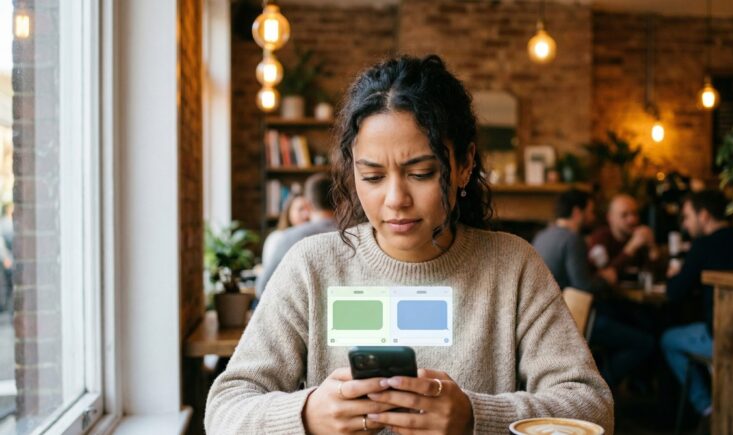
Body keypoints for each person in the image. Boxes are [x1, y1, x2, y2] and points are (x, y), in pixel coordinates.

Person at [207, 55, 613, 435]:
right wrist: (307, 415)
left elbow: (592, 407)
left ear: (464, 165)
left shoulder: (513, 267)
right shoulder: (311, 267)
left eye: (420, 173)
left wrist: (474, 416)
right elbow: (224, 410)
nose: (395, 199)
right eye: (372, 176)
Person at [533, 190, 653, 390]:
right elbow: (584, 288)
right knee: (644, 342)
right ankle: (599, 387)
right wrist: (607, 276)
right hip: (574, 319)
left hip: (546, 320)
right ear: (577, 212)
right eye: (590, 212)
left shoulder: (543, 236)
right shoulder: (572, 239)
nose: (593, 217)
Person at [661, 190, 733, 420]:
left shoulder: (703, 245)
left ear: (704, 216)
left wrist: (674, 273)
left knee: (668, 339)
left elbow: (675, 292)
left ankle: (706, 407)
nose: (686, 224)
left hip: (720, 337)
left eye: (688, 216)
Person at [254, 173, 337, 300]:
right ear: (339, 200)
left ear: (309, 204)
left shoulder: (290, 238)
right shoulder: (356, 235)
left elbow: (263, 288)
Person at [589, 194, 660, 281]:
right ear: (610, 218)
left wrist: (652, 247)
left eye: (635, 214)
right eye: (624, 215)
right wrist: (631, 248)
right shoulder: (600, 238)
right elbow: (605, 274)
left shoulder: (640, 236)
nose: (632, 220)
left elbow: (656, 276)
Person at [261, 192, 311, 269]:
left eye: (309, 209)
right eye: (300, 209)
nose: (306, 214)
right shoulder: (276, 238)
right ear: (289, 212)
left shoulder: (313, 238)